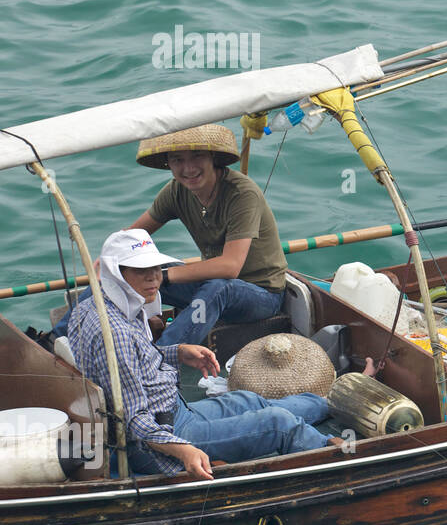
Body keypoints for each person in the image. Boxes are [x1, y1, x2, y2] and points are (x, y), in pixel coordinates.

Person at [66, 229, 340, 480]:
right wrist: (185, 452)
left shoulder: (94, 307)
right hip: (160, 440)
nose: (153, 278)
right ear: (117, 272)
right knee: (277, 423)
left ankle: (331, 402)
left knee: (250, 400)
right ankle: (335, 453)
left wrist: (178, 352)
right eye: (141, 270)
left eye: (156, 268)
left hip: (173, 410)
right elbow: (136, 421)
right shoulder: (115, 332)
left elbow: (129, 361)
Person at [51, 124, 288, 347]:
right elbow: (133, 235)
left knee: (217, 287)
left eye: (197, 156)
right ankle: (57, 340)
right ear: (169, 164)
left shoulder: (242, 193)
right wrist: (109, 259)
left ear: (212, 157)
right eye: (178, 160)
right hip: (212, 284)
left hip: (262, 295)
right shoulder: (177, 191)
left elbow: (230, 267)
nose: (188, 168)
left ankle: (160, 358)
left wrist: (161, 276)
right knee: (126, 270)